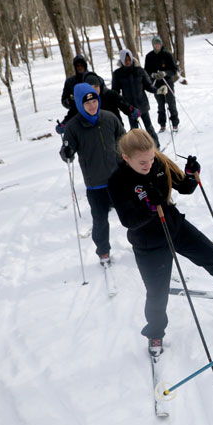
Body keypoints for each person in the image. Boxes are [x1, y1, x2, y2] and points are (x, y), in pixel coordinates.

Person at [107, 129, 213, 357]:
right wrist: (150, 208)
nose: (149, 164)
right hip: (148, 242)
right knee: (157, 293)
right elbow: (128, 221)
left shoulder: (159, 163)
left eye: (152, 158)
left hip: (174, 226)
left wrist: (192, 174)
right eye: (142, 162)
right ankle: (155, 333)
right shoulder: (117, 180)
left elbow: (185, 186)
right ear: (126, 157)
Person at [59, 83, 126, 265]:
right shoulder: (73, 127)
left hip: (117, 179)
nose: (92, 105)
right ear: (80, 104)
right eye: (86, 103)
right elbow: (66, 152)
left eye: (94, 100)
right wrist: (67, 152)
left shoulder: (109, 118)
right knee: (100, 221)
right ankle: (103, 251)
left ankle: (142, 242)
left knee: (130, 213)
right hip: (95, 184)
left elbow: (123, 138)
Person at [55, 72, 141, 134]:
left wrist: (132, 110)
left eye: (96, 86)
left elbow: (123, 104)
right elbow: (72, 114)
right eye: (90, 87)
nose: (94, 89)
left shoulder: (110, 95)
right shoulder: (82, 100)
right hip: (95, 134)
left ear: (100, 85)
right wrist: (64, 124)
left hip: (116, 130)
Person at [112, 49, 160, 147]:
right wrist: (121, 103)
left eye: (129, 59)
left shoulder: (140, 70)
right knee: (135, 130)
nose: (128, 62)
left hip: (142, 104)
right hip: (130, 107)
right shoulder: (118, 74)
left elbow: (148, 86)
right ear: (122, 61)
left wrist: (158, 90)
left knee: (149, 127)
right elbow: (115, 92)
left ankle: (156, 146)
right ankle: (138, 149)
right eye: (125, 60)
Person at [144, 35, 180, 134]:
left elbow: (174, 70)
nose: (157, 45)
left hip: (167, 82)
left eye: (158, 43)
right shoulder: (149, 56)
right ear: (153, 44)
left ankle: (175, 123)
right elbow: (146, 71)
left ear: (161, 44)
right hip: (156, 83)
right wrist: (152, 75)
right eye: (155, 43)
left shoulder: (167, 55)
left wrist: (165, 73)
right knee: (160, 105)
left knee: (171, 103)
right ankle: (162, 124)